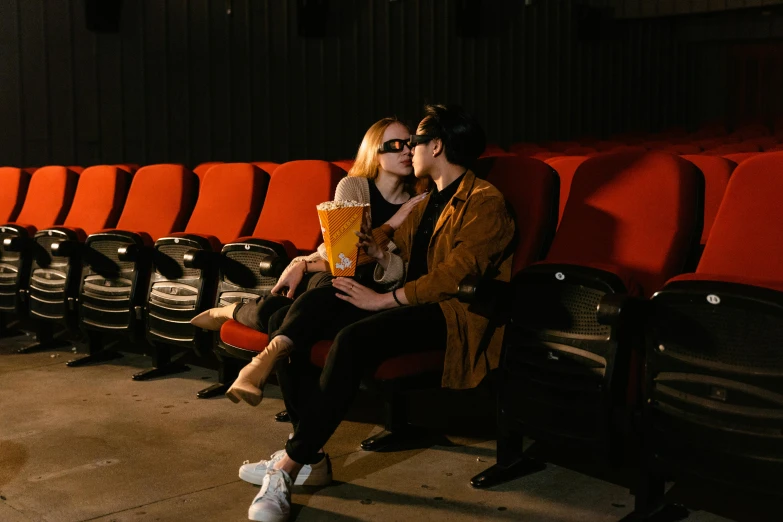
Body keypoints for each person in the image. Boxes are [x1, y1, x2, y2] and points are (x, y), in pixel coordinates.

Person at [242, 104, 515, 522]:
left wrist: (382, 301)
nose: (410, 150)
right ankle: (281, 375)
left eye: (416, 142)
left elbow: (454, 276)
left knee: (353, 339)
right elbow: (389, 236)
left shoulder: (484, 201)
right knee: (312, 305)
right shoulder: (427, 201)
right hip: (407, 303)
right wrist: (368, 245)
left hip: (448, 313)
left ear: (437, 146)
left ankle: (291, 465)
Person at [190, 117, 428, 399]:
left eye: (411, 144)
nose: (407, 151)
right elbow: (342, 255)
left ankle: (241, 320)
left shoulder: (421, 199)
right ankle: (271, 372)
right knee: (334, 287)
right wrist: (392, 225)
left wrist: (309, 262)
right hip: (333, 275)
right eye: (395, 145)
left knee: (278, 313)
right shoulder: (353, 187)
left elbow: (401, 268)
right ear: (374, 151)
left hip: (374, 290)